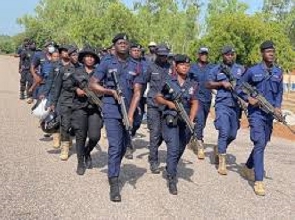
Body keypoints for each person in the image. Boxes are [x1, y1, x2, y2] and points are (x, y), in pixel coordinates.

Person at [89, 33, 144, 202]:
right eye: (120, 42)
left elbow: (137, 92)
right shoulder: (106, 62)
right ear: (115, 44)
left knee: (123, 146)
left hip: (129, 108)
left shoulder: (136, 65)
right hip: (111, 108)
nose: (123, 45)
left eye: (125, 43)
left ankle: (114, 166)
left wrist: (130, 114)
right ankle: (114, 181)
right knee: (114, 145)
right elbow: (92, 84)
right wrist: (109, 91)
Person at [238, 40, 283, 196]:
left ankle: (247, 167)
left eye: (273, 51)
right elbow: (238, 86)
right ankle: (258, 181)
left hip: (269, 114)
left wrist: (277, 107)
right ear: (262, 53)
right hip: (256, 113)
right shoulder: (252, 71)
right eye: (268, 51)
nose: (271, 54)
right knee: (259, 142)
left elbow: (279, 92)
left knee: (262, 144)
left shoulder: (278, 72)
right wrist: (247, 98)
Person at [155, 54, 198, 195]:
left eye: (187, 65)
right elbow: (157, 97)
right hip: (170, 118)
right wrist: (169, 104)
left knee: (180, 148)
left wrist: (191, 119)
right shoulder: (168, 80)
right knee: (173, 148)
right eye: (182, 65)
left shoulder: (192, 82)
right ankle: (171, 178)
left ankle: (170, 166)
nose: (185, 67)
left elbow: (195, 102)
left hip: (184, 120)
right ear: (176, 66)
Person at [206, 45, 244, 175]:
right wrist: (221, 84)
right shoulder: (216, 69)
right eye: (227, 55)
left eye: (232, 54)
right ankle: (222, 162)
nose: (230, 57)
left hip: (236, 105)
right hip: (222, 104)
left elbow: (246, 84)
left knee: (232, 134)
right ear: (223, 56)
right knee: (224, 131)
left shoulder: (240, 69)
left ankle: (220, 148)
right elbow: (208, 84)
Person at [71, 47, 103, 175]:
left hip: (95, 108)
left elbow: (104, 87)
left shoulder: (99, 73)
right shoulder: (76, 71)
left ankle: (87, 152)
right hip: (79, 107)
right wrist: (76, 90)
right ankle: (80, 162)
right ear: (83, 58)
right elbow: (68, 85)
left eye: (92, 57)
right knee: (80, 136)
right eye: (87, 56)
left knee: (95, 136)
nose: (90, 58)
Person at [146, 44, 171, 174]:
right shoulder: (150, 66)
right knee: (155, 133)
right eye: (160, 55)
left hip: (166, 105)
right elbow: (142, 83)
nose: (162, 58)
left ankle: (152, 150)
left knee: (164, 134)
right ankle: (153, 160)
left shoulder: (171, 68)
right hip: (153, 105)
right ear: (156, 54)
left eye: (165, 56)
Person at [189, 47, 214, 159]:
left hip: (207, 98)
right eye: (202, 53)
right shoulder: (192, 67)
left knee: (202, 122)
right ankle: (200, 143)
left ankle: (194, 137)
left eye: (206, 54)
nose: (204, 55)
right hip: (196, 98)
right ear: (198, 55)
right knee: (199, 121)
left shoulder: (212, 67)